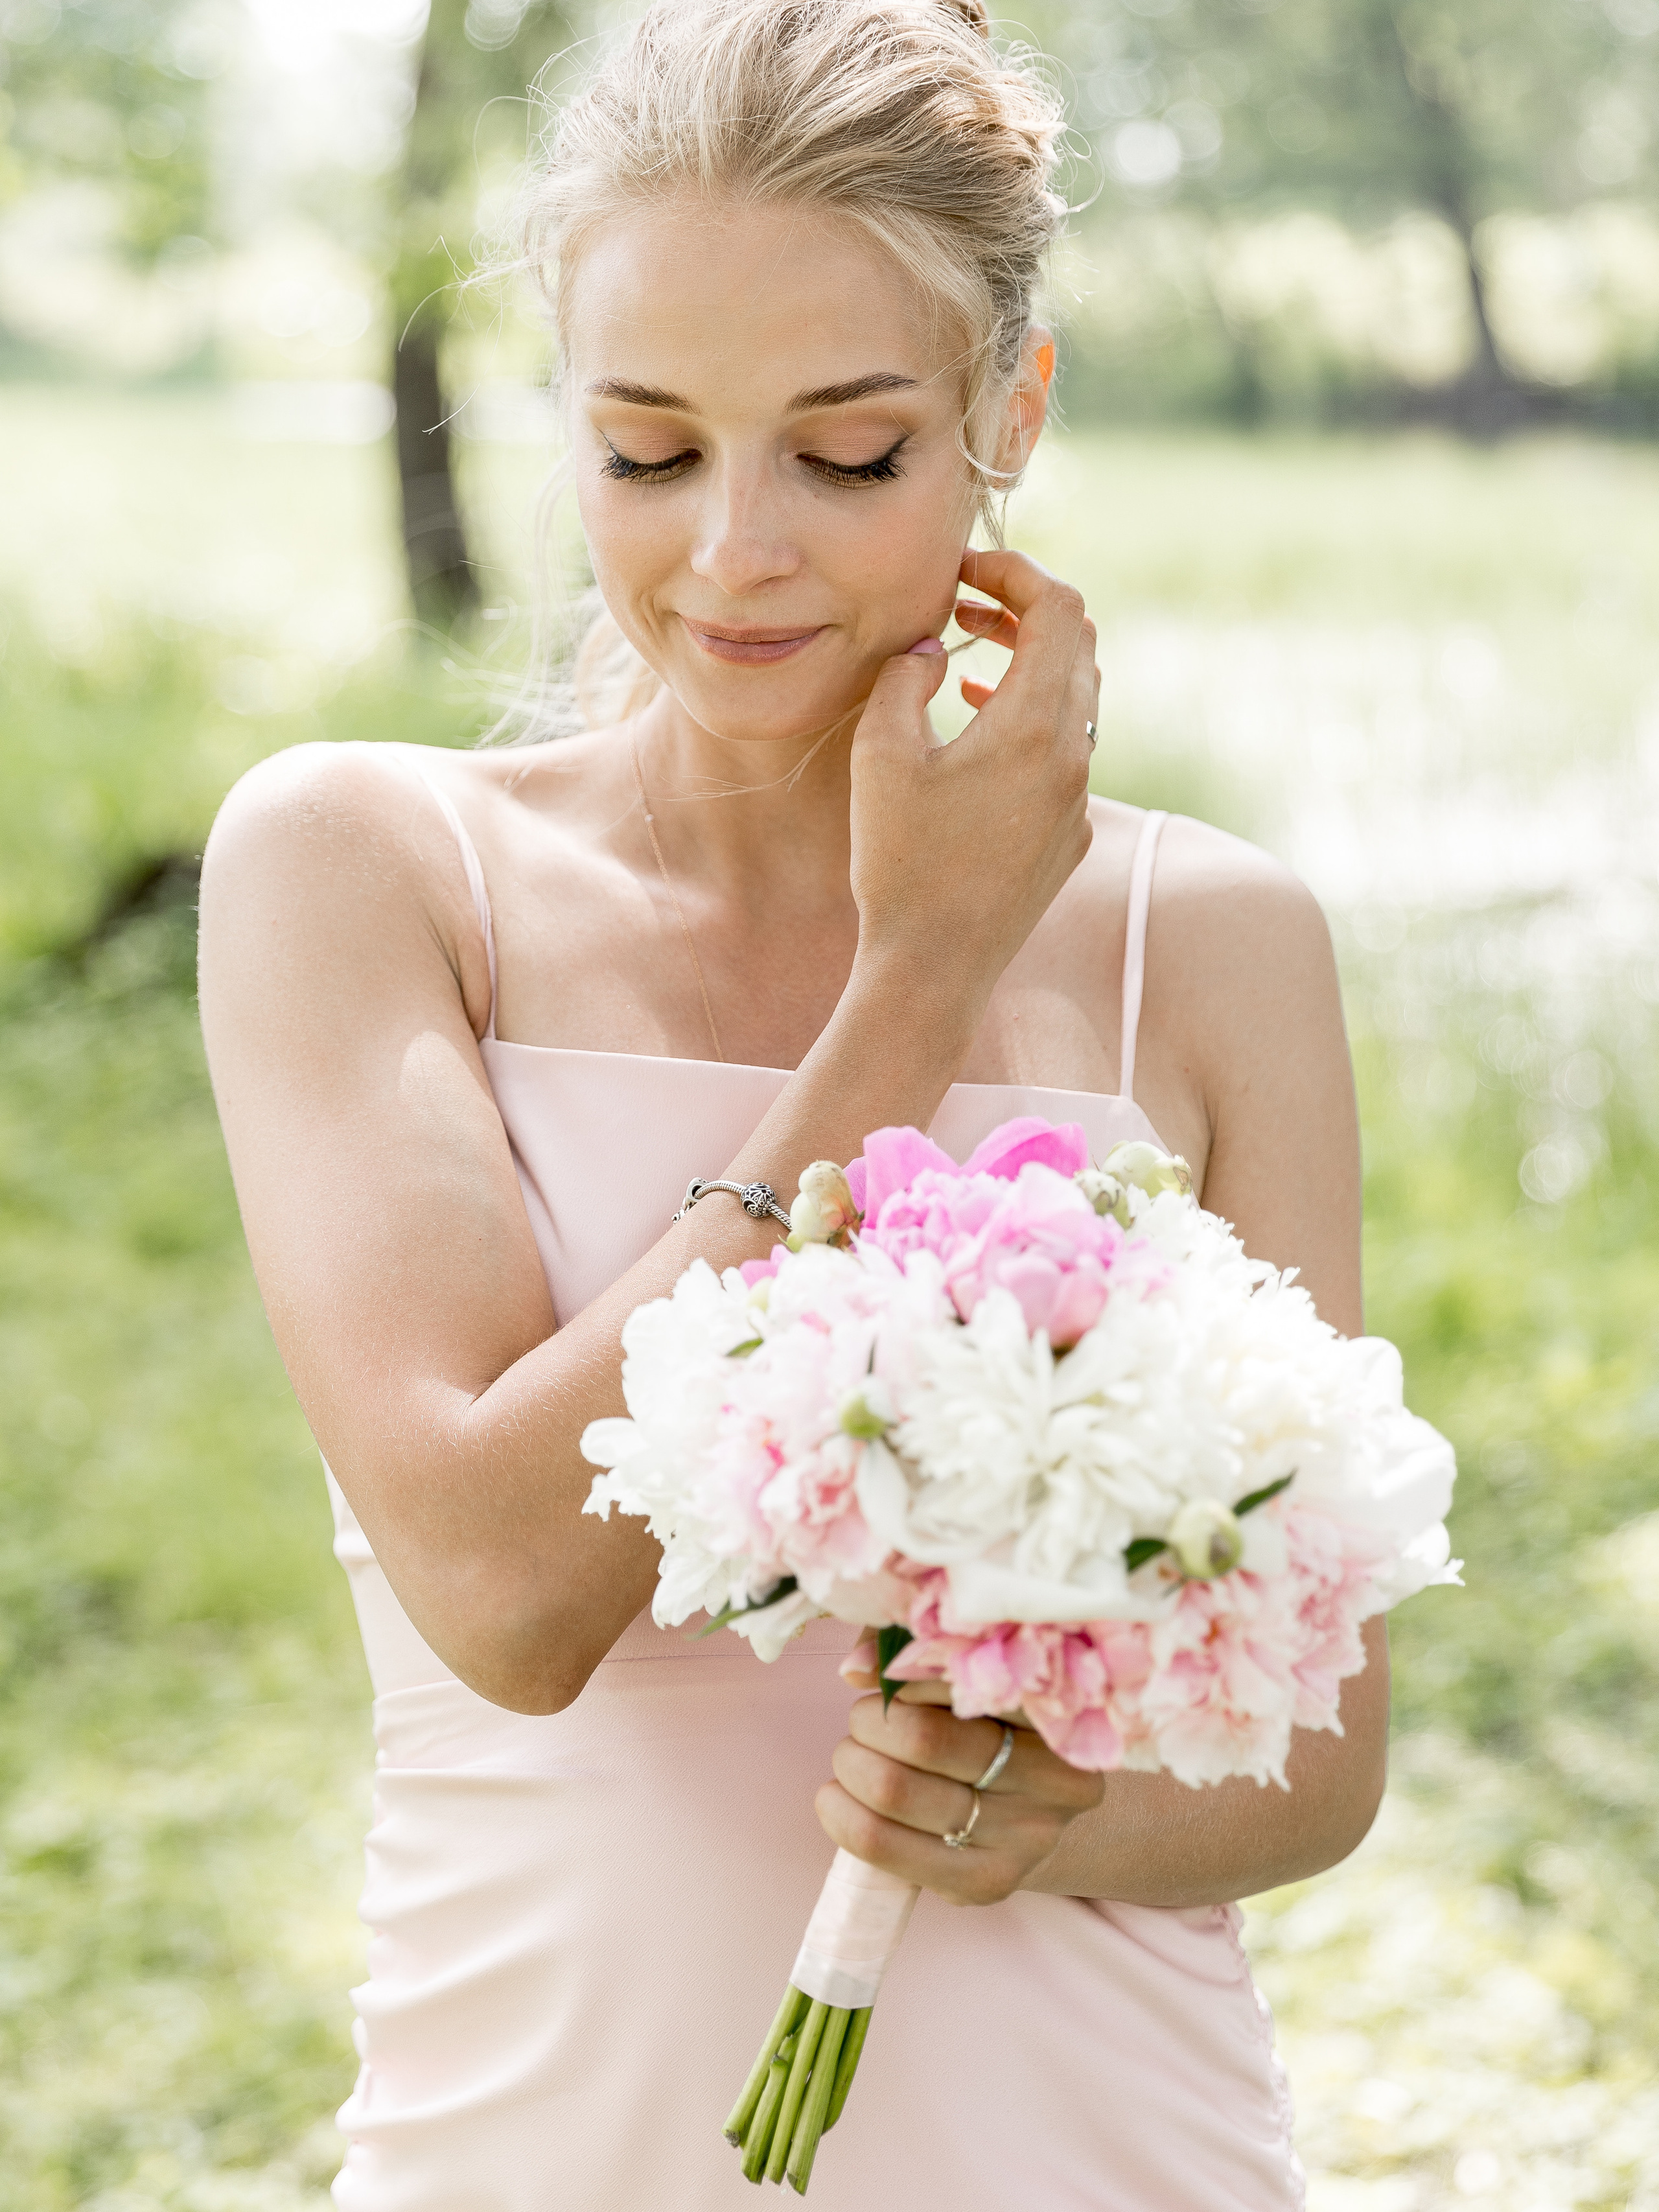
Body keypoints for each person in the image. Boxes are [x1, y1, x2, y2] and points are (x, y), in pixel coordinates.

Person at [198, 1, 1384, 2204]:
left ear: (1004, 414)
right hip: (537, 2141)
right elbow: (507, 1592)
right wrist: (918, 974)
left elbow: (1320, 1752)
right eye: (650, 452)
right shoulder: (365, 872)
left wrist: (1057, 1816)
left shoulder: (1211, 947)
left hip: (1103, 2148)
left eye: (846, 456)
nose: (736, 553)